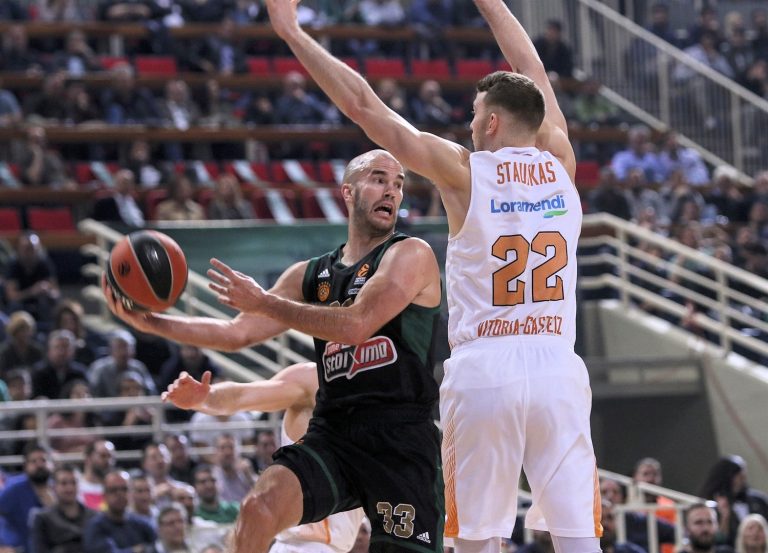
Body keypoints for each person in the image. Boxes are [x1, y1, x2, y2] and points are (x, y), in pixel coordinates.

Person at [255, 2, 598, 553]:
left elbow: (366, 107)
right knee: (579, 538)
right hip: (559, 365)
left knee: (476, 542)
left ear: (489, 122)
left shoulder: (463, 171)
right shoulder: (560, 159)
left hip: (486, 368)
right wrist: (491, 4)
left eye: (473, 113)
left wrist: (291, 31)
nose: (468, 123)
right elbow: (532, 72)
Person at [103, 146, 444, 553]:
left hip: (399, 436)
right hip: (334, 432)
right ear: (348, 192)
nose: (391, 191)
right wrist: (150, 323)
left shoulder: (410, 254)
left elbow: (356, 324)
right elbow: (236, 334)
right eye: (378, 179)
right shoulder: (310, 275)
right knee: (257, 508)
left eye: (398, 184)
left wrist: (264, 301)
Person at [163, 362, 364, 553]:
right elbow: (242, 395)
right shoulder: (311, 379)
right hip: (301, 543)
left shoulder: (385, 397)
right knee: (255, 509)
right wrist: (207, 397)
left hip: (333, 545)